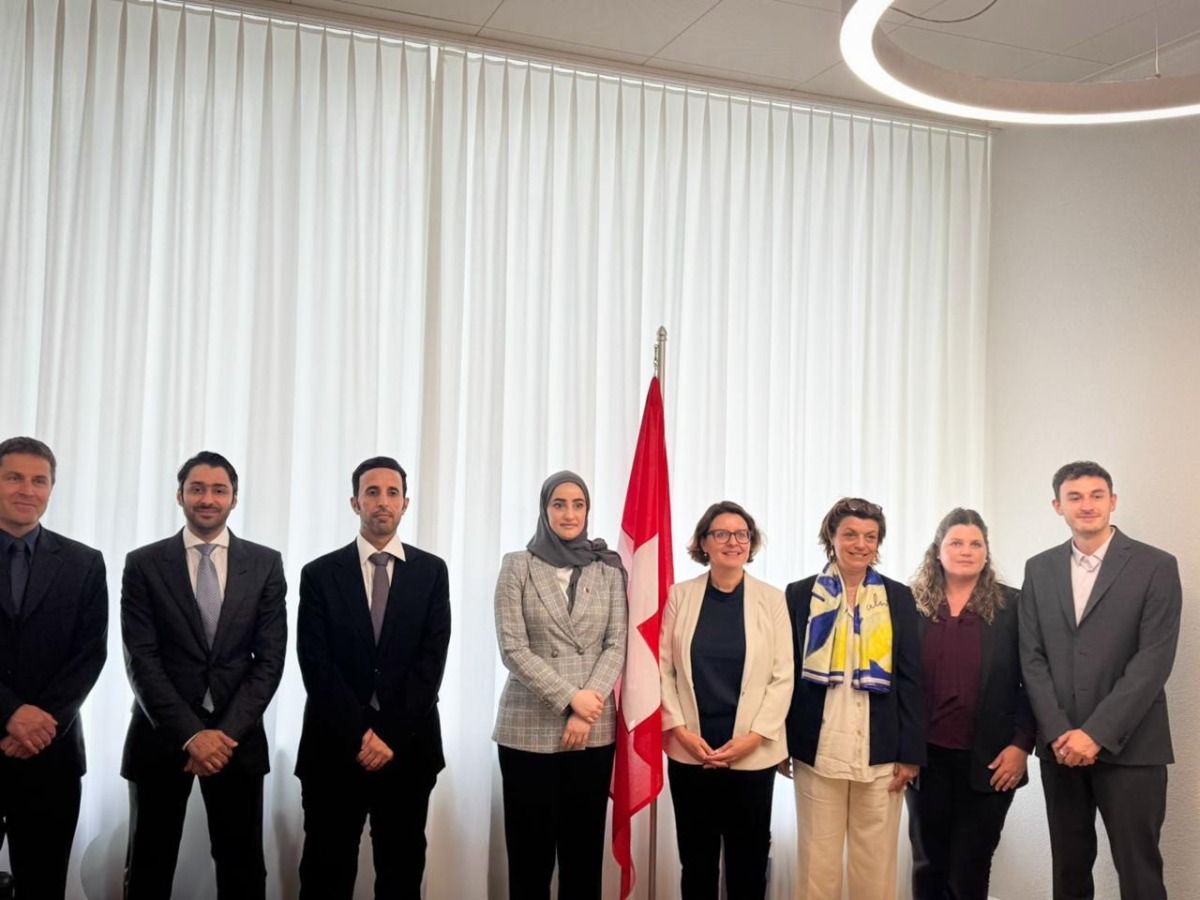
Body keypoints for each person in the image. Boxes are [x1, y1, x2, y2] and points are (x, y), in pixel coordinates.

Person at [120, 451, 287, 898]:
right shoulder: (143, 563)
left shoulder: (265, 564)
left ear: (234, 498)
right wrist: (192, 735)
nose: (207, 499)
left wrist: (222, 735)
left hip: (237, 740)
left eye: (219, 490)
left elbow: (270, 659)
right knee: (149, 866)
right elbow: (141, 658)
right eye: (197, 489)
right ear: (180, 495)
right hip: (161, 736)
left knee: (242, 869)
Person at [1020, 461, 1181, 900]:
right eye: (1074, 497)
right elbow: (1031, 658)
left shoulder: (1156, 566)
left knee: (1139, 871)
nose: (1086, 505)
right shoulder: (1039, 569)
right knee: (1069, 870)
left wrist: (1095, 734)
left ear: (1113, 501)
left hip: (1133, 746)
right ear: (1058, 506)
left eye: (1096, 495)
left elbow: (1154, 660)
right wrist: (1058, 731)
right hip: (1060, 748)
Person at [296, 456, 451, 899]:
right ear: (354, 502)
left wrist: (388, 736)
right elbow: (316, 664)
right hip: (333, 749)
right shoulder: (320, 574)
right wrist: (360, 735)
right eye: (372, 492)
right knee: (326, 874)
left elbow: (431, 662)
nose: (382, 501)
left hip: (408, 750)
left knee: (401, 873)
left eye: (392, 492)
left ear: (405, 503)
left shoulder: (431, 571)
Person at [492, 471, 628, 899]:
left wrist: (586, 711)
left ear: (587, 511)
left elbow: (617, 644)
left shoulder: (608, 569)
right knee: (529, 859)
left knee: (582, 858)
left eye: (578, 504)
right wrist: (572, 699)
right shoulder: (517, 565)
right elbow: (512, 648)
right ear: (544, 509)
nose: (569, 514)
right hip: (528, 728)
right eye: (559, 504)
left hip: (592, 729)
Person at [780, 497, 924, 900]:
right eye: (850, 534)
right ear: (832, 536)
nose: (861, 544)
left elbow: (912, 679)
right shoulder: (799, 594)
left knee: (874, 867)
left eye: (870, 536)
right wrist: (781, 743)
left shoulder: (898, 597)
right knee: (817, 866)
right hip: (817, 750)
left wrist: (911, 754)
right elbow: (784, 674)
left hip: (881, 753)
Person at [660, 500, 793, 899]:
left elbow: (783, 677)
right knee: (696, 863)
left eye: (741, 535)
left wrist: (755, 738)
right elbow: (663, 668)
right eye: (721, 534)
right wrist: (680, 731)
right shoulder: (679, 596)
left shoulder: (772, 600)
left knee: (748, 864)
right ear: (704, 542)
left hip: (752, 753)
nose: (733, 542)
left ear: (750, 543)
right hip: (691, 751)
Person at [906, 508, 1034, 900]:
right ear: (937, 550)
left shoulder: (1014, 606)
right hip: (924, 759)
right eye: (956, 543)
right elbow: (897, 682)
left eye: (976, 544)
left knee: (970, 868)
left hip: (992, 760)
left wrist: (1021, 745)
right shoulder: (911, 604)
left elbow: (1033, 679)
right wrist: (901, 749)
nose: (966, 551)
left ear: (986, 551)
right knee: (928, 864)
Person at [0, 437, 107, 899]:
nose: (27, 490)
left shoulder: (84, 562)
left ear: (51, 488)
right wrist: (10, 713)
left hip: (51, 754)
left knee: (43, 886)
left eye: (39, 480)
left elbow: (90, 654)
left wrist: (41, 724)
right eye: (14, 477)